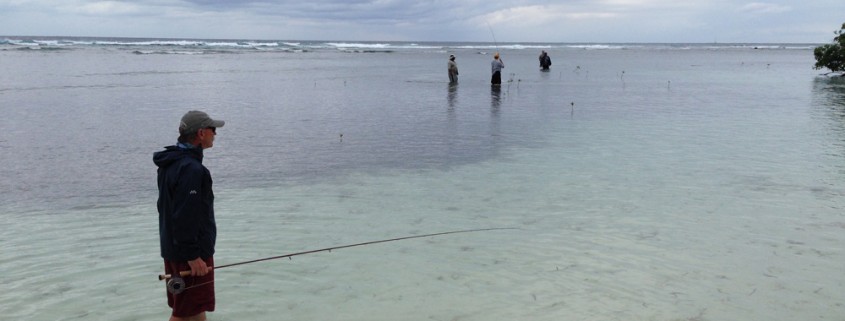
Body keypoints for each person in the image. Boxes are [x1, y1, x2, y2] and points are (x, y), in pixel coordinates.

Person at [154, 110, 225, 321]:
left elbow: (164, 208)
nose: (216, 134)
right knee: (183, 313)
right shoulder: (192, 170)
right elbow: (185, 215)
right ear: (201, 133)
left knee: (194, 309)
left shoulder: (170, 164)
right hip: (190, 254)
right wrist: (193, 256)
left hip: (173, 249)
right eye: (213, 130)